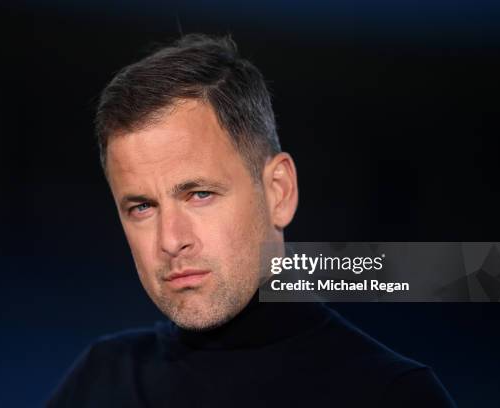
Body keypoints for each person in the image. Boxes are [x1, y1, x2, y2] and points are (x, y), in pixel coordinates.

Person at [47, 34, 456, 407]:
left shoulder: (393, 397)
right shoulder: (99, 382)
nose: (170, 240)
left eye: (199, 194)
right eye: (142, 207)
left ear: (279, 191)